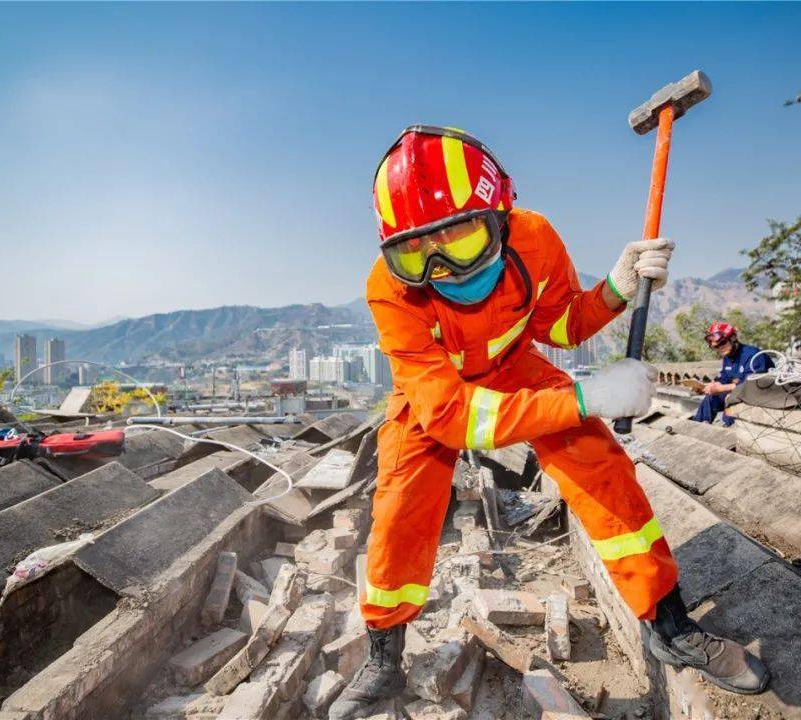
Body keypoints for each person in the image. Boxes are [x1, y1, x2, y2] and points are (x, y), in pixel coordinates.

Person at [329, 126, 769, 720]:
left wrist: (616, 288)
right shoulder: (391, 291)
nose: (442, 267)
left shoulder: (534, 238)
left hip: (517, 370)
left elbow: (562, 325)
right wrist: (587, 398)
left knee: (603, 468)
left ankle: (668, 624)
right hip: (434, 398)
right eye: (418, 253)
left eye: (459, 239)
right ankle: (385, 656)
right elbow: (454, 417)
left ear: (501, 213)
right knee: (400, 508)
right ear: (394, 252)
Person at [691, 323, 772, 426]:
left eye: (723, 343)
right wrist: (711, 386)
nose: (720, 348)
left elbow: (751, 383)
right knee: (711, 396)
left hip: (760, 393)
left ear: (733, 338)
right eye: (716, 346)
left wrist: (723, 389)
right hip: (740, 391)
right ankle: (700, 424)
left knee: (730, 397)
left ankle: (728, 426)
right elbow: (724, 378)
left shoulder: (752, 355)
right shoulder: (727, 357)